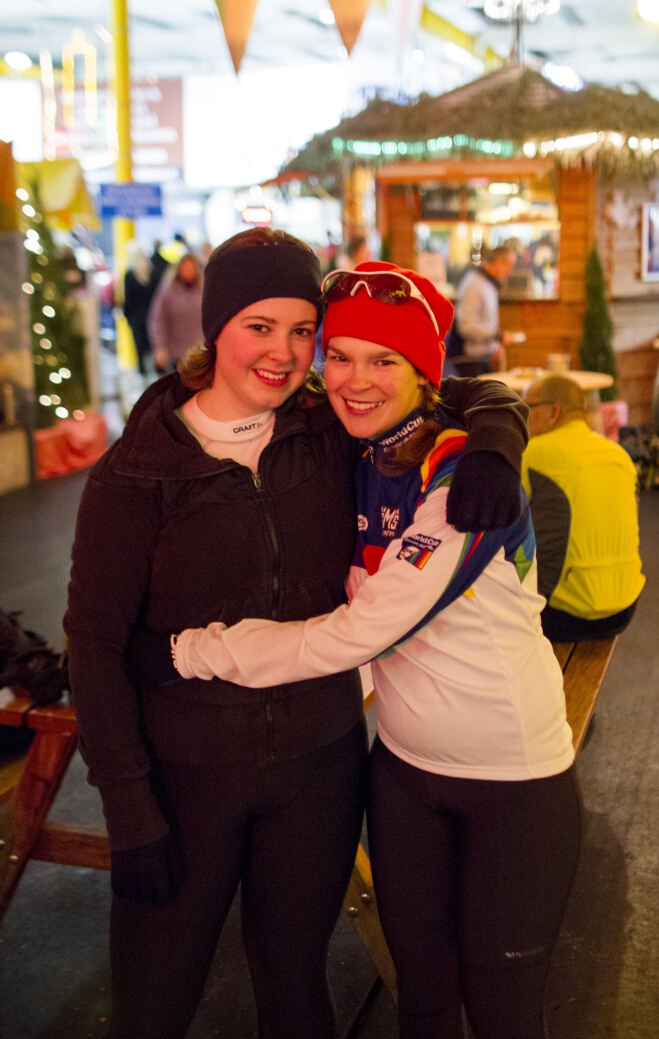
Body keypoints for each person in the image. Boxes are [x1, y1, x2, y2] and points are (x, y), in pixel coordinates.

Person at [64, 230, 530, 1039]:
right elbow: (94, 645)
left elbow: (439, 383)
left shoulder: (324, 427)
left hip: (318, 766)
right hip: (186, 777)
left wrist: (496, 437)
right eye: (259, 326)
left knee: (294, 982)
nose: (282, 353)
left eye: (301, 330)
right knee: (153, 1002)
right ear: (216, 328)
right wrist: (129, 808)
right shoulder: (138, 469)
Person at [169, 260, 582, 1039]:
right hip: (400, 773)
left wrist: (195, 650)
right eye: (340, 356)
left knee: (503, 1015)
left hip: (512, 785)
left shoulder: (459, 474)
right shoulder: (353, 448)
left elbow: (360, 631)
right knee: (420, 1002)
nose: (356, 381)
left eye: (384, 360)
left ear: (420, 373)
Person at [522, 374, 645, 642]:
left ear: (553, 412)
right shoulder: (619, 455)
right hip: (625, 607)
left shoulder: (533, 453)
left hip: (565, 614)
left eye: (528, 407)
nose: (523, 417)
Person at [446, 245, 517, 377]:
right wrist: (497, 336)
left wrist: (494, 346)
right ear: (498, 262)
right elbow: (466, 326)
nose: (510, 272)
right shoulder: (474, 284)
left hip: (479, 357)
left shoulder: (486, 283)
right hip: (468, 359)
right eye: (509, 266)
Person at [148, 252, 203, 372]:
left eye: (191, 267)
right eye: (185, 267)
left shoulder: (202, 290)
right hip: (175, 353)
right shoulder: (168, 290)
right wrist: (159, 346)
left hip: (199, 352)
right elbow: (158, 319)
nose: (188, 270)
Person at [123, 242, 157, 376]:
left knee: (140, 348)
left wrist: (127, 316)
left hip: (137, 318)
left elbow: (128, 299)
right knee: (151, 346)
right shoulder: (152, 274)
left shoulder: (130, 275)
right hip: (150, 316)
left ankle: (143, 373)